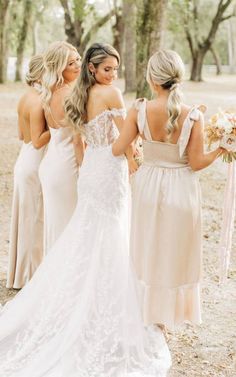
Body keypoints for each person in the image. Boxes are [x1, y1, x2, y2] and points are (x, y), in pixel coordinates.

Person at [0, 43, 171, 377]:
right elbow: (125, 138)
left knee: (87, 233)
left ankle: (81, 299)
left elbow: (79, 141)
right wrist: (136, 156)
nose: (113, 74)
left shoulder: (79, 94)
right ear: (93, 69)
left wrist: (88, 166)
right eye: (107, 68)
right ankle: (105, 305)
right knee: (111, 233)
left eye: (116, 68)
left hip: (92, 169)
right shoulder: (111, 95)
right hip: (109, 170)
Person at [112, 49, 223, 331]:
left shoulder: (139, 110)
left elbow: (117, 147)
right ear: (179, 78)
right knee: (175, 251)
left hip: (148, 185)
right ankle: (171, 314)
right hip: (181, 188)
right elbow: (197, 162)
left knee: (148, 246)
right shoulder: (192, 116)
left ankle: (148, 311)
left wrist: (136, 158)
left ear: (152, 79)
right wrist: (220, 149)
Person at [6, 55, 50, 289]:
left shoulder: (24, 98)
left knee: (26, 218)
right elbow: (37, 140)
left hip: (23, 161)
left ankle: (20, 273)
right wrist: (58, 128)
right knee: (34, 219)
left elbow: (21, 136)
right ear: (42, 74)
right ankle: (31, 276)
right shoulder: (40, 102)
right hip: (34, 163)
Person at [39, 41, 83, 254]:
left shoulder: (48, 94)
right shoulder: (71, 96)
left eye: (78, 60)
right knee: (70, 229)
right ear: (59, 69)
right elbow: (77, 140)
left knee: (57, 228)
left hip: (50, 165)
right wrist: (85, 169)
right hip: (67, 168)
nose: (78, 66)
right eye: (71, 64)